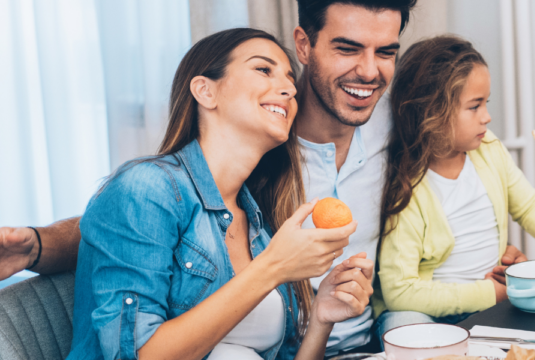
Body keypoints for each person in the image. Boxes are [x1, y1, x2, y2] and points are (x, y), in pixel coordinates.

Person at [1, 0, 418, 355]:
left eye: (385, 52)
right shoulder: (176, 186)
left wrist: (321, 315)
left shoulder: (256, 216)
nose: (368, 70)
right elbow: (130, 224)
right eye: (348, 48)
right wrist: (40, 245)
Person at [67, 28, 372, 360]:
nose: (289, 88)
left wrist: (320, 319)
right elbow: (137, 354)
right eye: (263, 69)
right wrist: (272, 267)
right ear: (205, 91)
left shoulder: (256, 218)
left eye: (289, 79)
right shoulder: (145, 189)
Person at [373, 35, 535, 335]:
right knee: (402, 326)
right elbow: (400, 293)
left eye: (486, 103)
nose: (487, 117)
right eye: (474, 106)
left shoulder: (489, 149)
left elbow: (529, 205)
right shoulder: (407, 188)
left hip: (491, 300)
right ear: (432, 113)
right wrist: (490, 293)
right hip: (429, 313)